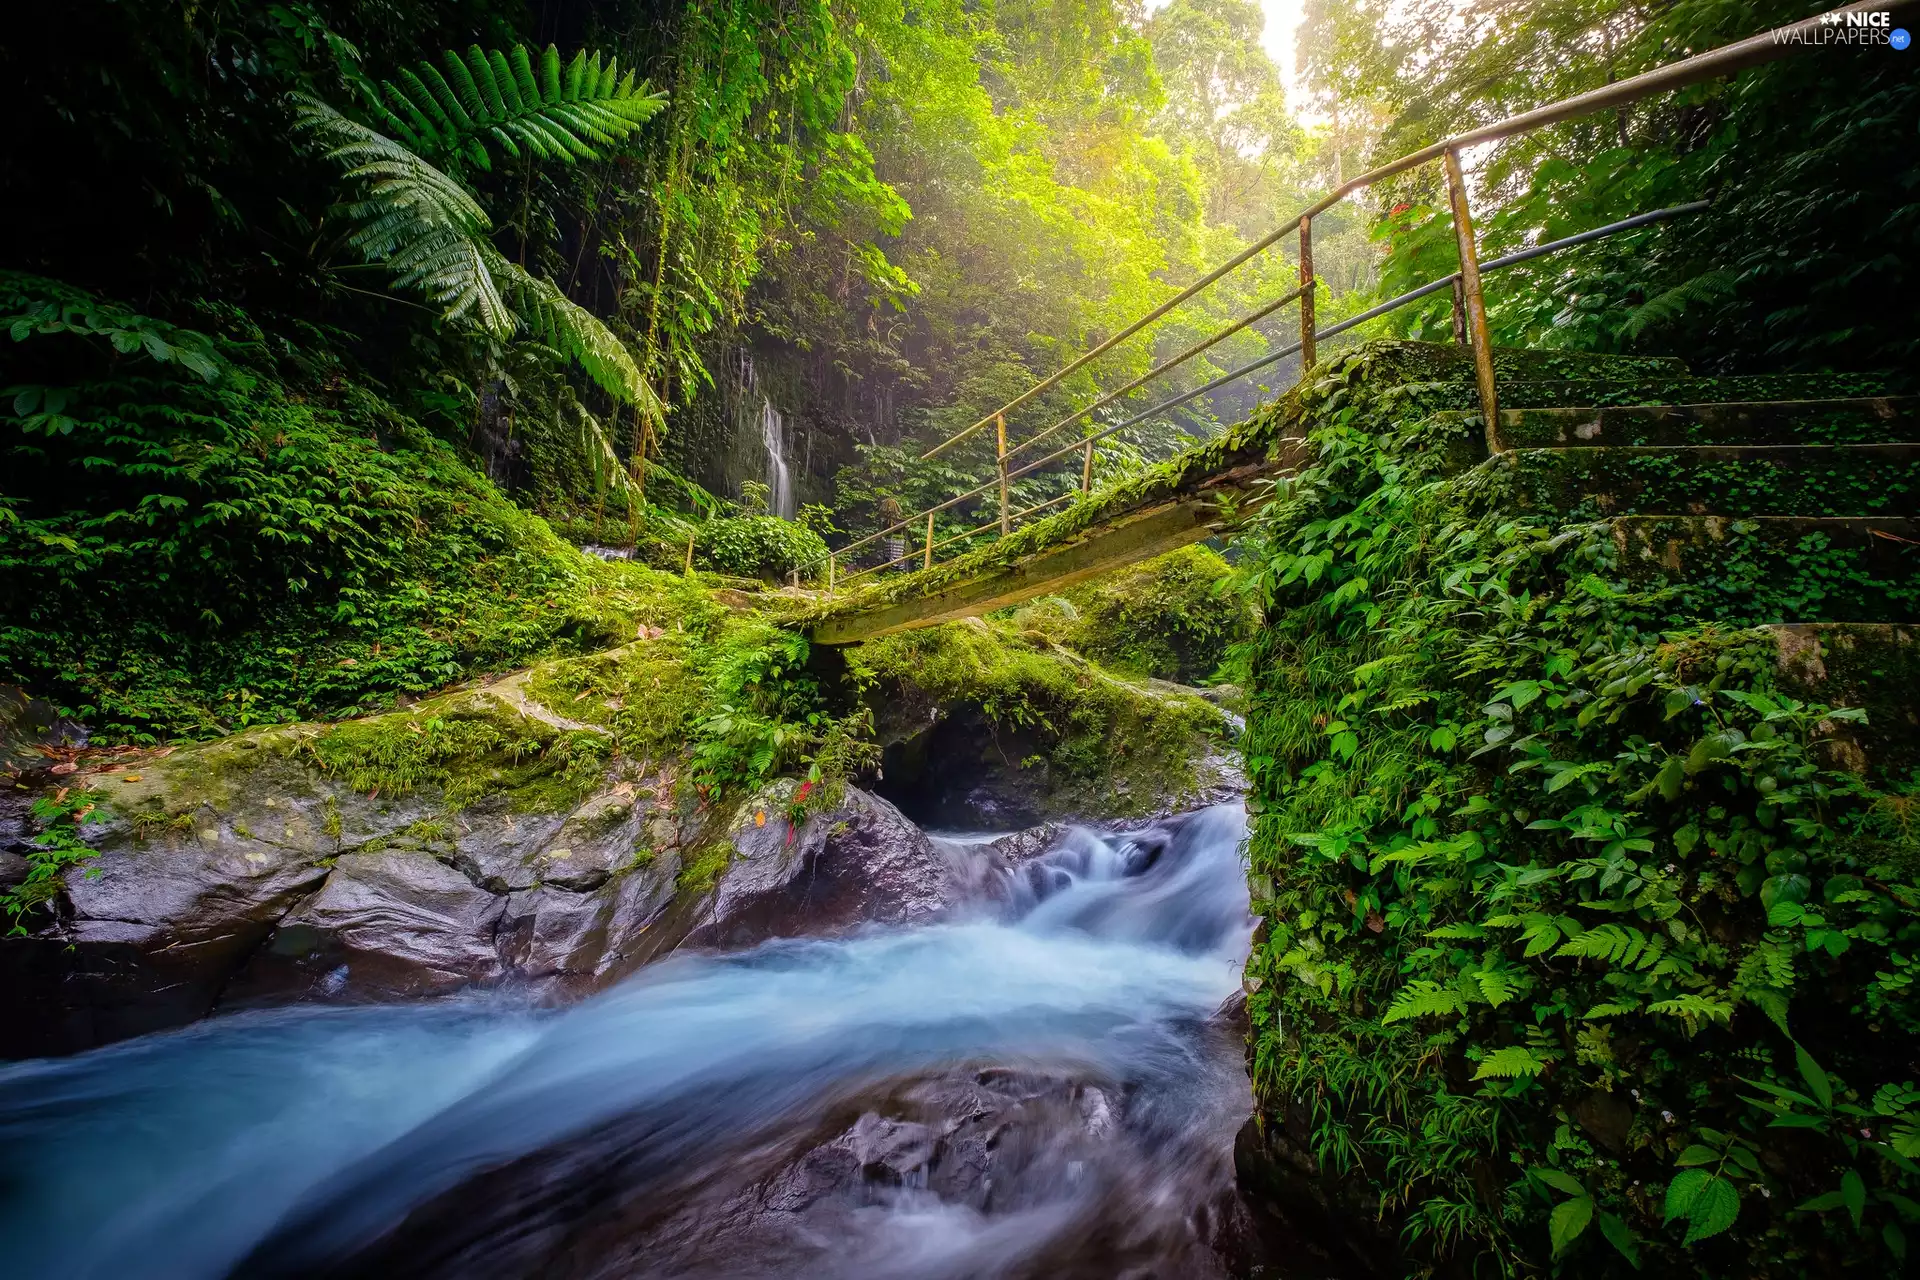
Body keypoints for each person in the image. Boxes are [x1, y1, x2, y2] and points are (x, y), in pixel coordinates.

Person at [876, 497, 906, 571]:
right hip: (890, 541)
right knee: (889, 556)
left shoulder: (897, 520)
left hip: (896, 542)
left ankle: (895, 569)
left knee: (894, 557)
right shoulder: (886, 520)